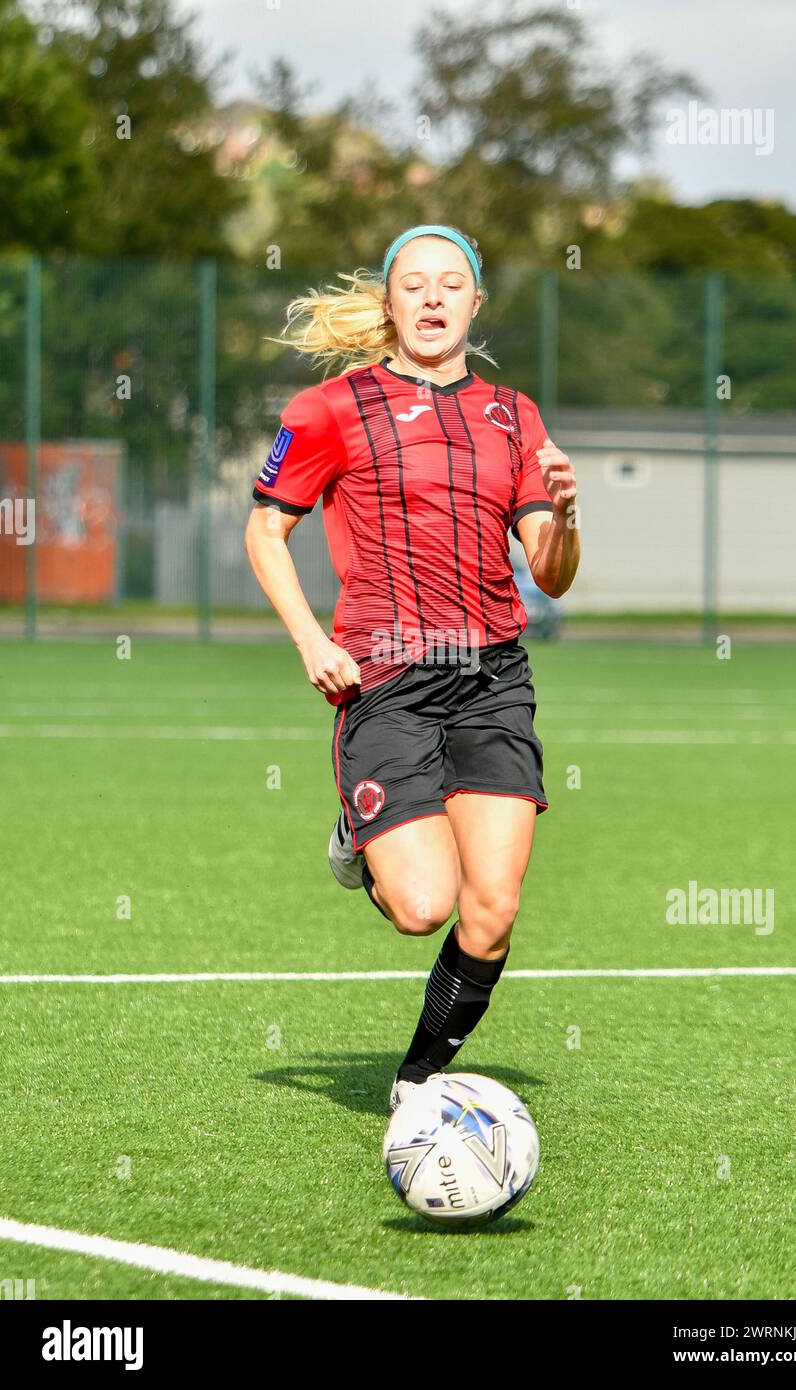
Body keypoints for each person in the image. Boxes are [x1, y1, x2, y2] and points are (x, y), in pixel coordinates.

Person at [245, 224, 579, 1112]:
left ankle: (418, 1081)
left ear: (475, 302)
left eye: (450, 284)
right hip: (387, 679)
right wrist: (313, 640)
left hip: (495, 679)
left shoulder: (516, 416)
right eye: (414, 285)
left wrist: (569, 519)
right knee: (422, 905)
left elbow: (550, 569)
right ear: (389, 304)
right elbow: (265, 530)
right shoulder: (331, 409)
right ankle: (358, 839)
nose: (432, 299)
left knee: (493, 908)